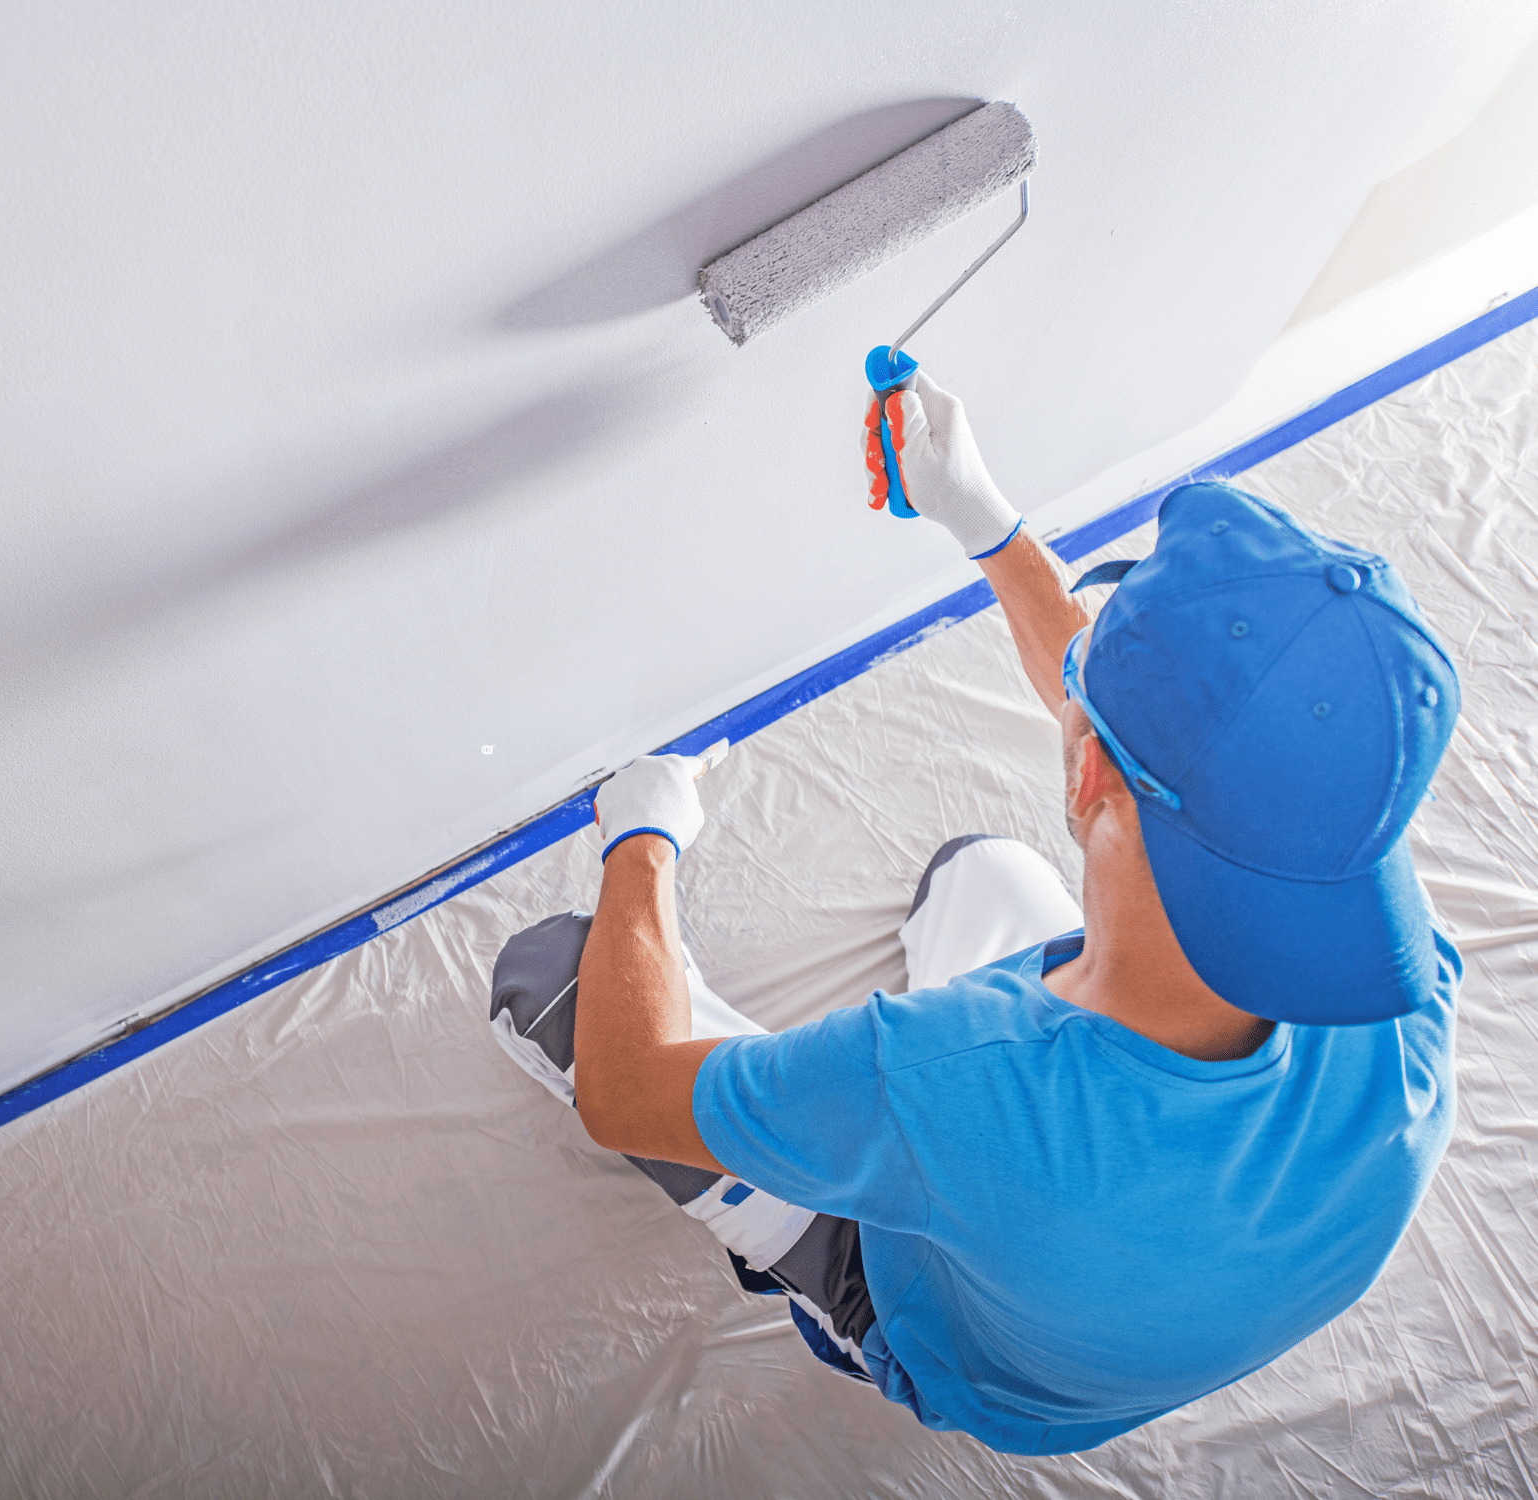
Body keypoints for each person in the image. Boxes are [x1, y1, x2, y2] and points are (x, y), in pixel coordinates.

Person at [488, 372, 1463, 1455]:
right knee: (977, 877)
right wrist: (985, 521)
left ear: (1084, 772)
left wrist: (643, 835)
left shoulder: (948, 1078)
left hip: (961, 1352)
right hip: (1123, 1310)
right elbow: (1147, 736)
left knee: (552, 976)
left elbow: (625, 1098)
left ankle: (833, 1295)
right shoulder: (1380, 950)